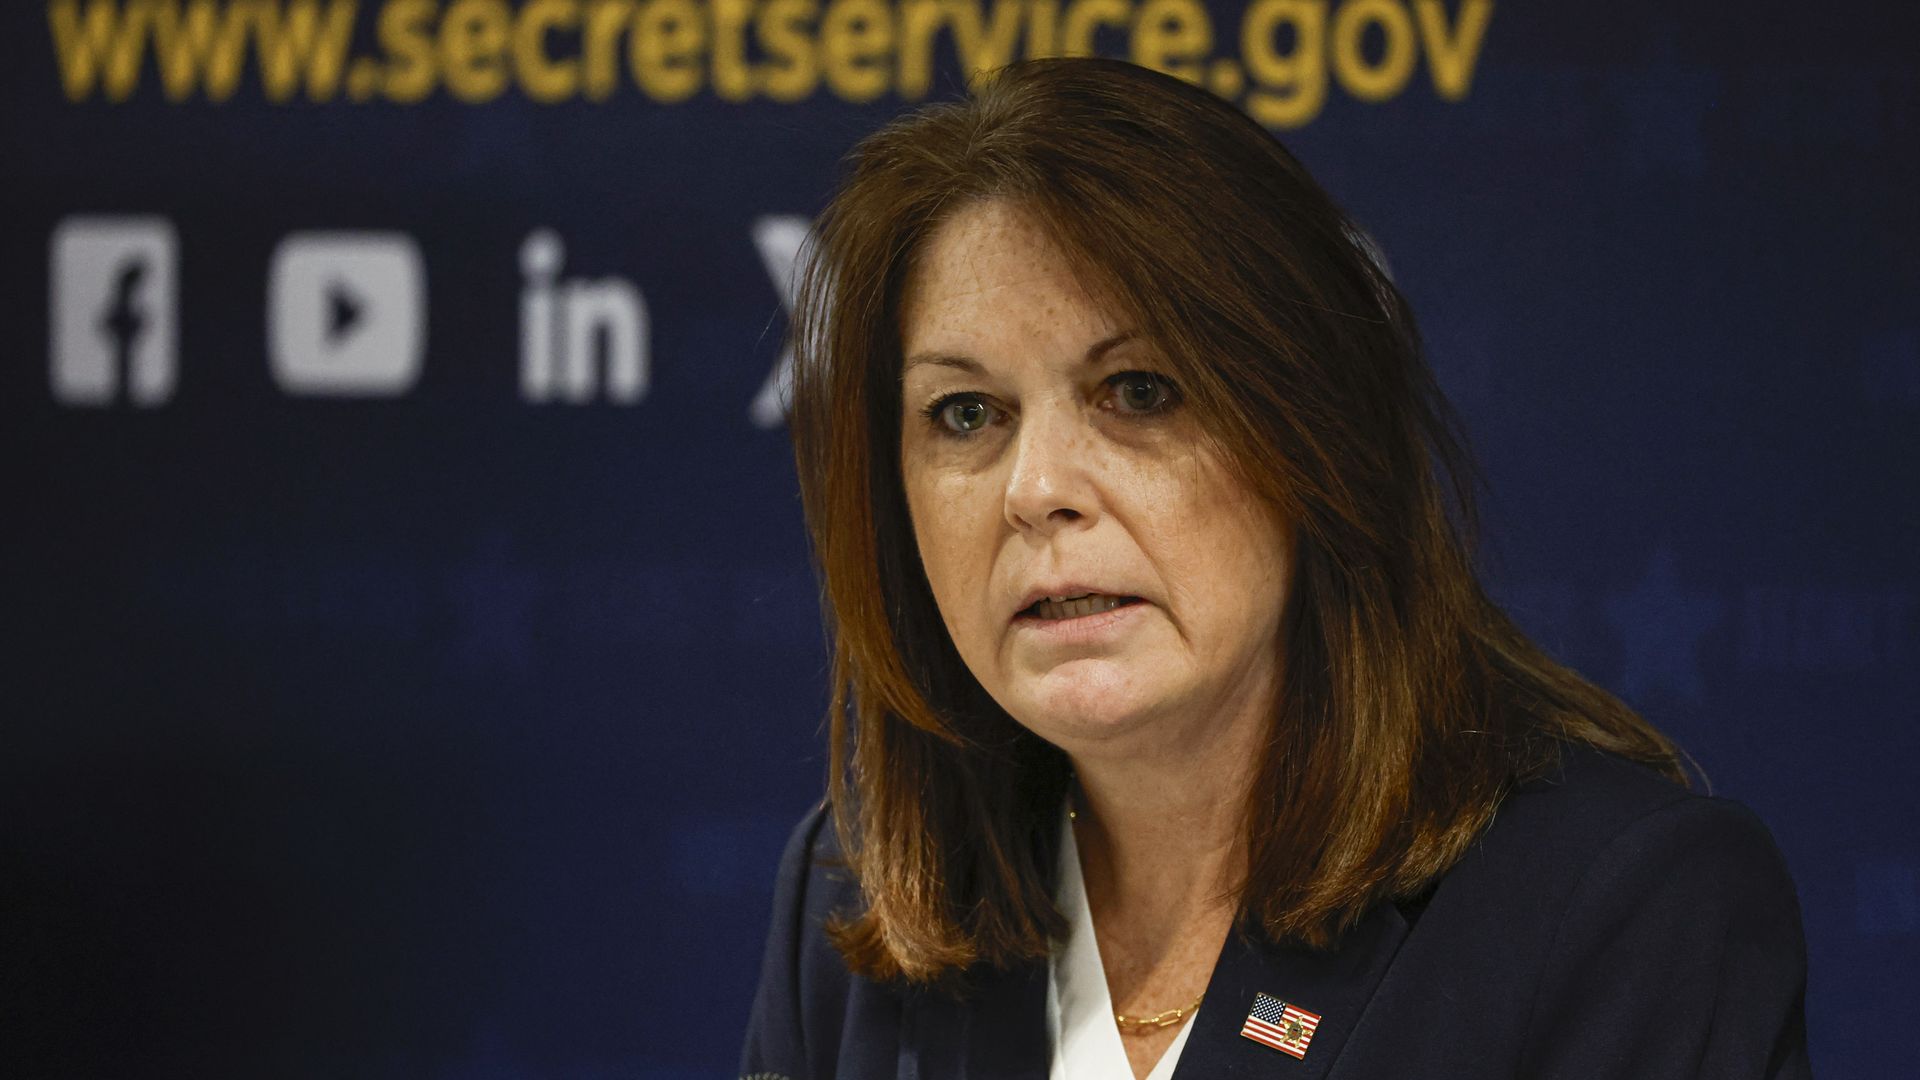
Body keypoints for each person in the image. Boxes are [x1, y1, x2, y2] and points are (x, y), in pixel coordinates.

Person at [741, 57, 1810, 1080]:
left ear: (1310, 437)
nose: (1036, 489)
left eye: (1138, 391)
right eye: (965, 414)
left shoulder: (1619, 909)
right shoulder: (861, 891)